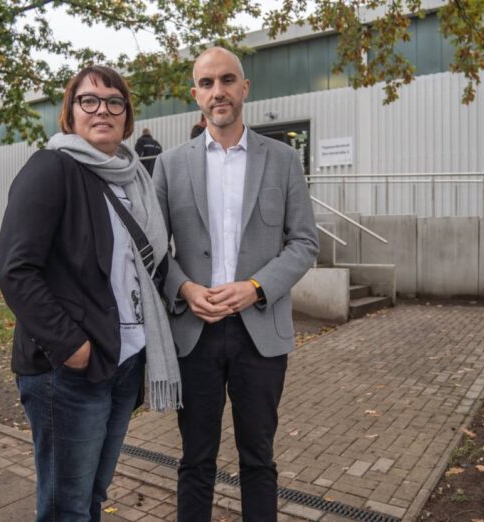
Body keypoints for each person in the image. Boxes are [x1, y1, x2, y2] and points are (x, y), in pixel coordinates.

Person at [0, 65, 181, 522]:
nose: (103, 110)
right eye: (89, 100)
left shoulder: (132, 179)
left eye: (114, 102)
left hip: (125, 362)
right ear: (70, 112)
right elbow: (16, 270)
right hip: (71, 373)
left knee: (92, 496)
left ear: (127, 116)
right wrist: (71, 347)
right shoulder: (51, 168)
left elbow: (148, 266)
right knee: (66, 508)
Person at [153, 47, 319, 521]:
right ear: (195, 95)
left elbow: (304, 242)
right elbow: (155, 250)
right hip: (195, 334)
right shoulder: (170, 165)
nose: (217, 91)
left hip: (260, 334)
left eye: (227, 80)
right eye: (206, 84)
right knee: (196, 461)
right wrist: (184, 289)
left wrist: (256, 287)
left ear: (244, 89)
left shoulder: (283, 160)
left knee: (258, 460)